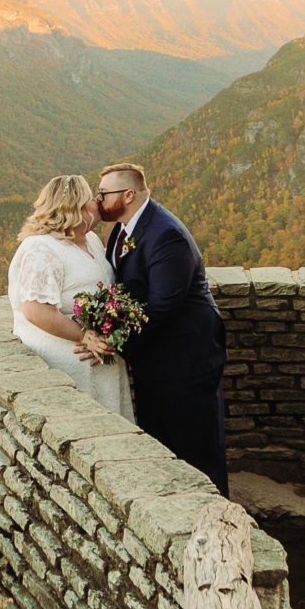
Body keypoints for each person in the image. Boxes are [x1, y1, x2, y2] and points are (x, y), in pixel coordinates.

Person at [97, 161, 228, 494]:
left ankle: (216, 522)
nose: (98, 201)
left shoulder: (165, 234)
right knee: (162, 445)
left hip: (186, 358)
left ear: (128, 195)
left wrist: (116, 343)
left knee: (197, 450)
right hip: (155, 358)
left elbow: (162, 307)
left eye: (103, 194)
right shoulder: (122, 231)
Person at [4, 174, 133, 420]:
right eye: (93, 200)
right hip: (67, 364)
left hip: (100, 361)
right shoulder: (41, 248)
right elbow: (34, 309)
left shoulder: (91, 240)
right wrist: (84, 335)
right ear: (78, 209)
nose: (99, 202)